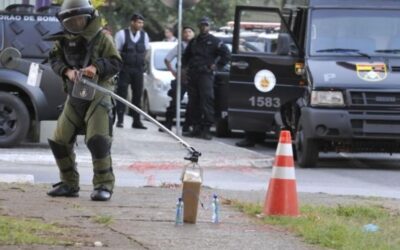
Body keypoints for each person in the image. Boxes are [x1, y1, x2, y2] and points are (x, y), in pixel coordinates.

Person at [46, 0, 122, 201]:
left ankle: (103, 185)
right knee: (58, 140)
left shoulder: (102, 38)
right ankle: (69, 183)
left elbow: (115, 62)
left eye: (80, 19)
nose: (77, 24)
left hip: (99, 91)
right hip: (75, 93)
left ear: (88, 18)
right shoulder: (62, 41)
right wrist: (67, 71)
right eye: (72, 21)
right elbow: (54, 60)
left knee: (97, 140)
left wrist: (96, 68)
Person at [182, 17, 230, 140]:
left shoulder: (214, 41)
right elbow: (186, 56)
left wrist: (217, 66)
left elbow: (226, 54)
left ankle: (207, 129)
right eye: (202, 25)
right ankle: (196, 128)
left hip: (206, 75)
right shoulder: (194, 41)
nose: (204, 27)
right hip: (193, 75)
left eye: (206, 25)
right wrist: (184, 68)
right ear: (199, 26)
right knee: (194, 102)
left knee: (207, 101)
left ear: (209, 27)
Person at [114, 13, 150, 129]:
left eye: (142, 22)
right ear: (132, 22)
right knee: (121, 94)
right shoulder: (121, 34)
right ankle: (120, 120)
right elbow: (116, 51)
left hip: (138, 70)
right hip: (125, 69)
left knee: (137, 95)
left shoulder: (144, 36)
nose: (141, 25)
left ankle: (136, 121)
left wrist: (143, 63)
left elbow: (146, 52)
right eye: (139, 22)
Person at [160, 26, 195, 132]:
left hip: (194, 77)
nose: (187, 34)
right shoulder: (180, 46)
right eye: (185, 32)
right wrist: (174, 73)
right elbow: (167, 59)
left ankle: (187, 126)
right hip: (182, 77)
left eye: (190, 31)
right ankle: (168, 123)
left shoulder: (197, 45)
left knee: (193, 102)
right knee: (175, 100)